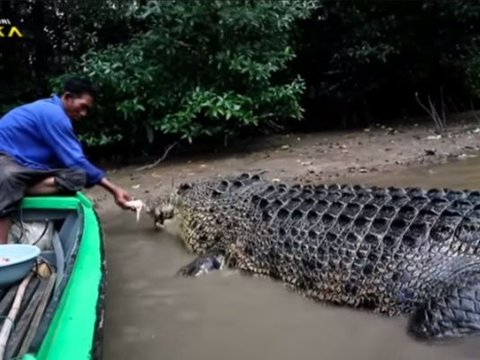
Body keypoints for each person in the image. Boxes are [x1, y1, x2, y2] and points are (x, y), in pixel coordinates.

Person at [0, 76, 134, 244]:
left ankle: (21, 187)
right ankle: (3, 254)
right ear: (68, 97)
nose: (83, 113)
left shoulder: (57, 116)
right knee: (7, 178)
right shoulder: (53, 114)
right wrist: (114, 190)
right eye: (82, 106)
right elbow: (75, 159)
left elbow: (71, 164)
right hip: (5, 158)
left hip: (28, 166)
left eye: (87, 110)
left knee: (77, 176)